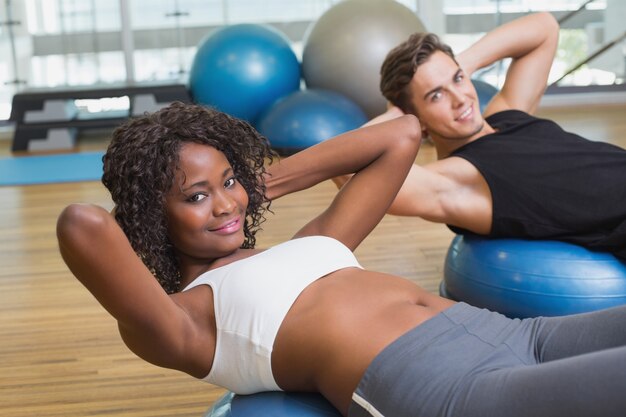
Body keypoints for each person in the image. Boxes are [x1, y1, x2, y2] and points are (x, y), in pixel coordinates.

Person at [57, 101, 626, 417]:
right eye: (196, 195)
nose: (226, 203)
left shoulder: (316, 241)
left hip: (514, 332)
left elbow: (401, 134)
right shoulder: (181, 321)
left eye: (228, 182)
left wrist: (253, 186)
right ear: (155, 216)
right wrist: (145, 212)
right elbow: (81, 225)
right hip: (450, 390)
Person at [335, 12, 626, 260]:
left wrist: (458, 65)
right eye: (436, 95)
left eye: (459, 80)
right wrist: (401, 118)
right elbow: (346, 166)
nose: (460, 99)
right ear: (418, 120)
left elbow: (544, 27)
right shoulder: (457, 179)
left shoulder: (506, 114)